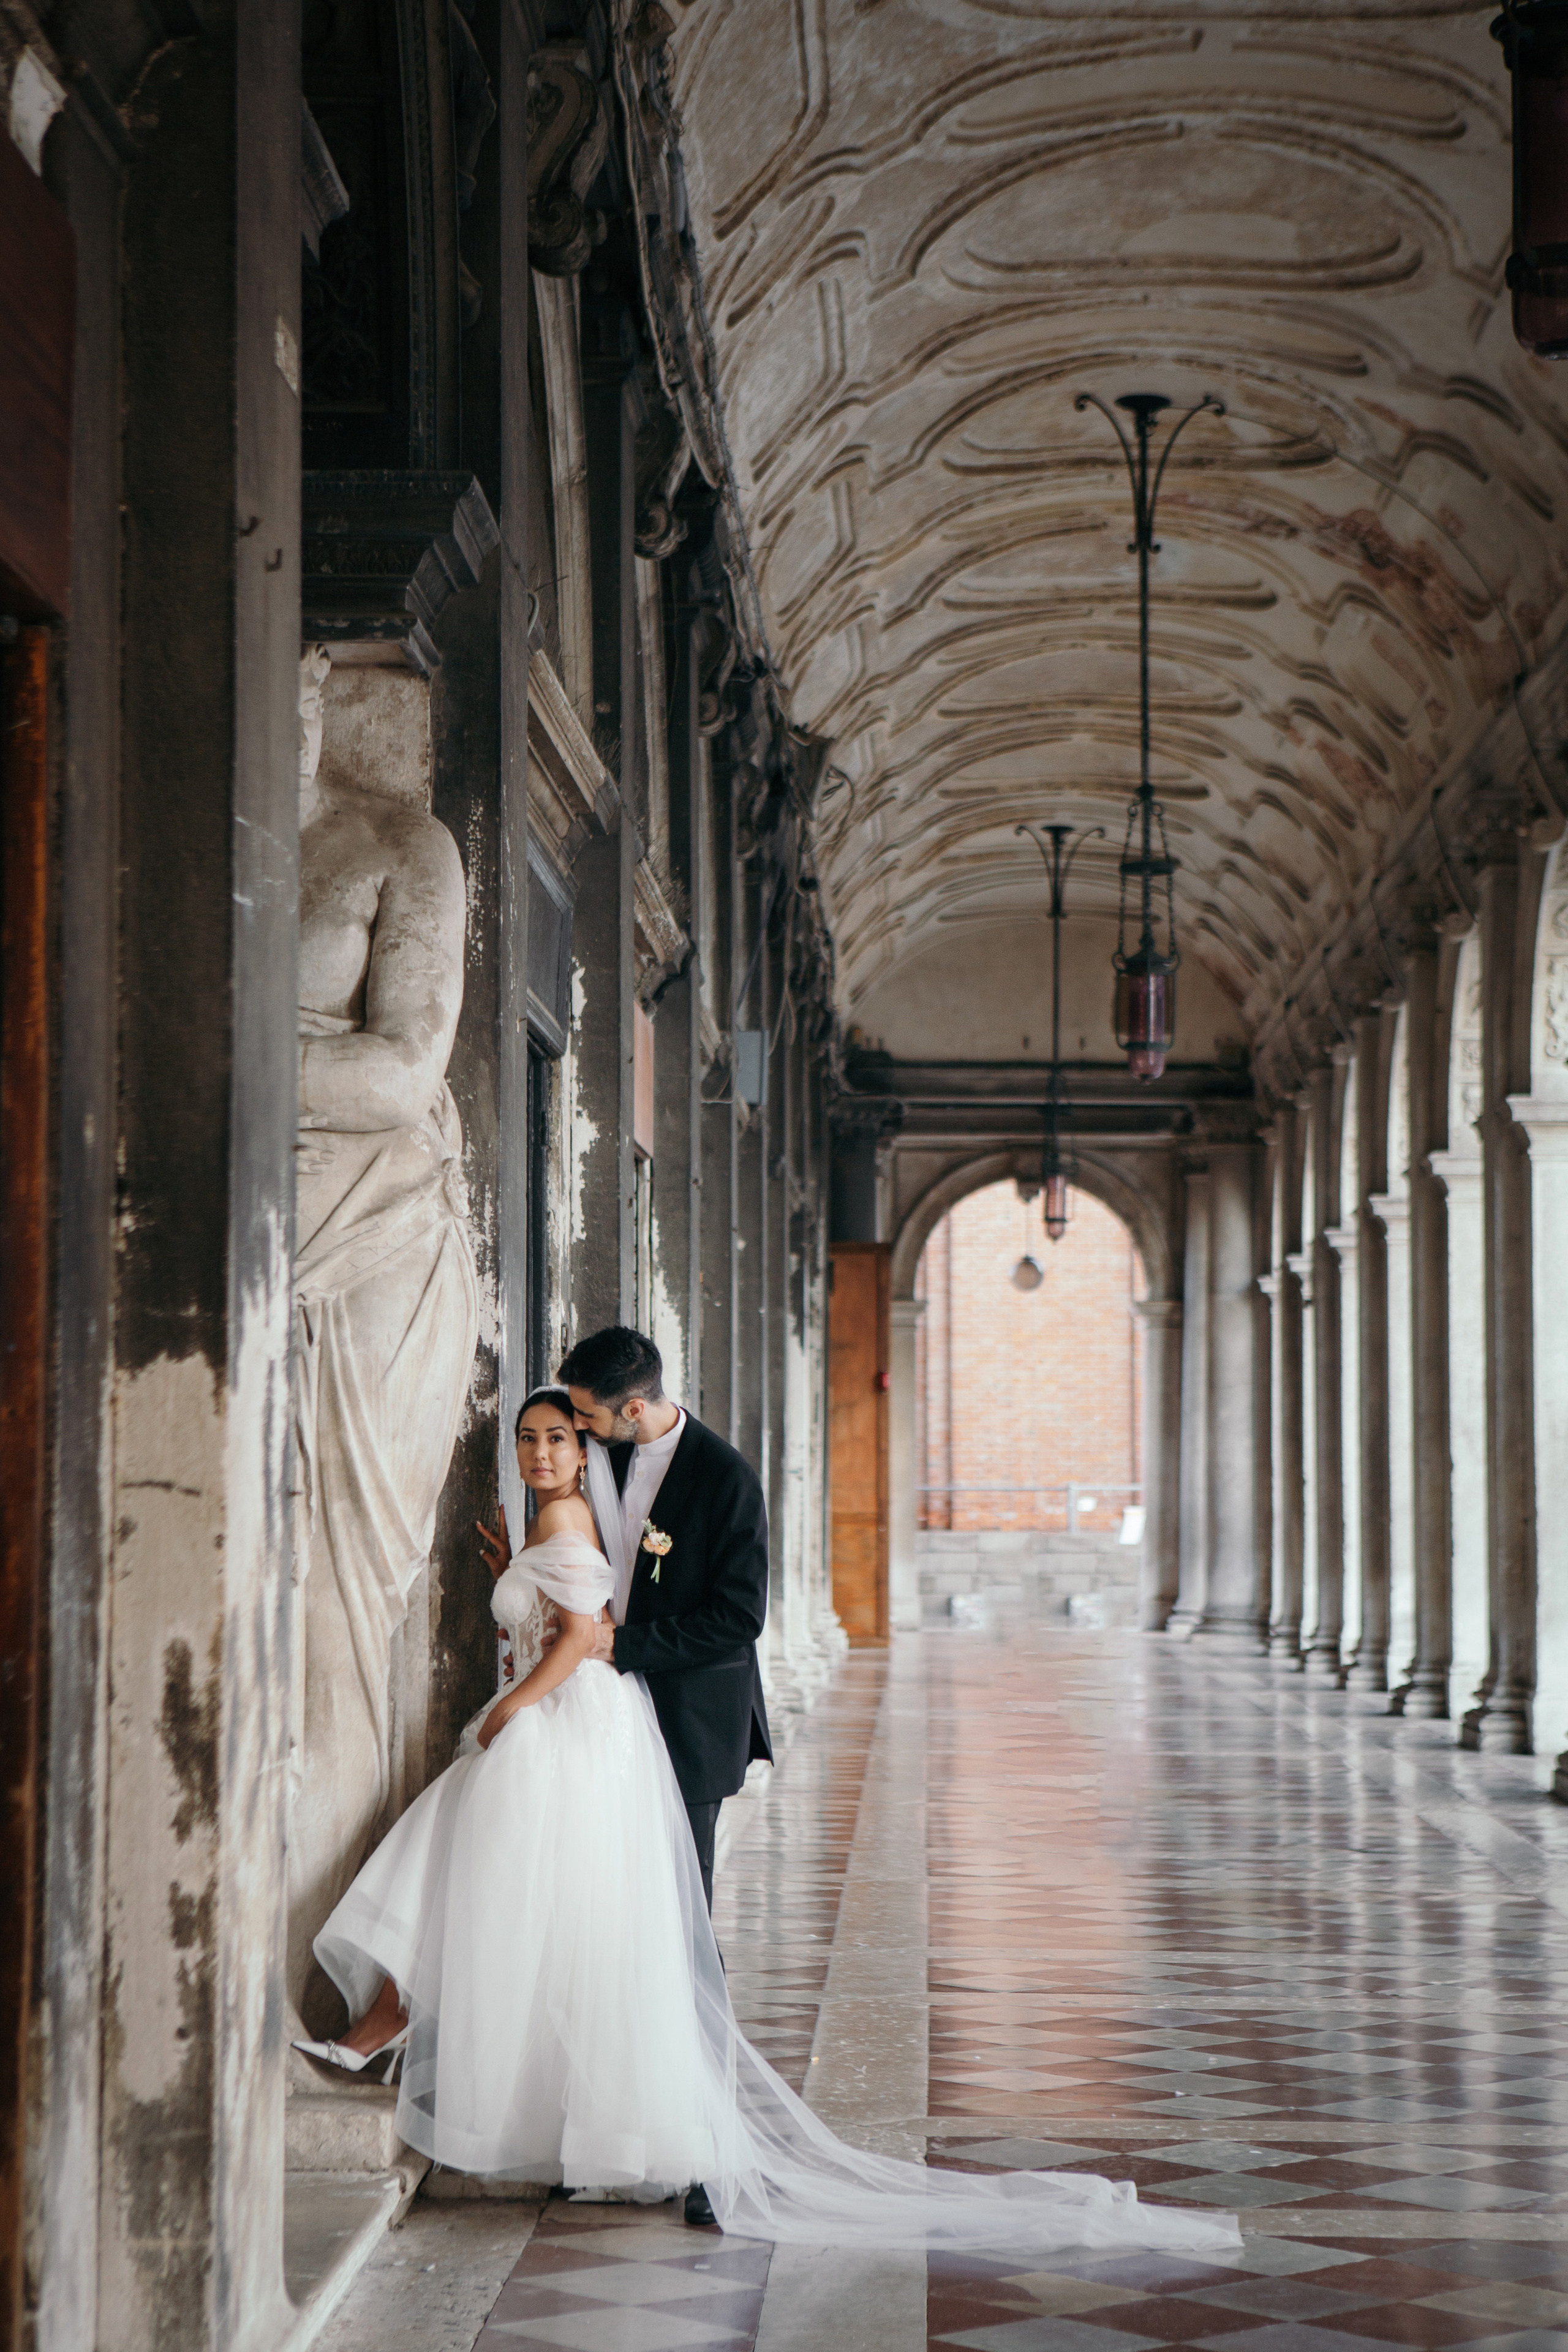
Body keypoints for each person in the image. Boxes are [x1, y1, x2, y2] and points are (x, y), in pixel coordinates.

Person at [293, 1366, 1242, 2266]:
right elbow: (575, 1588)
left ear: (612, 1420)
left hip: (615, 1722)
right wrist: (524, 1567)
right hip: (592, 1725)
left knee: (646, 1928)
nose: (551, 1446)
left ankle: (687, 2138)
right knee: (555, 1910)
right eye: (537, 1434)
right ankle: (485, 2069)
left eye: (567, 1428)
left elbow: (683, 1621)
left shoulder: (715, 1476)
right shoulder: (591, 1483)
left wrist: (518, 1699)